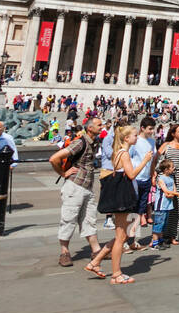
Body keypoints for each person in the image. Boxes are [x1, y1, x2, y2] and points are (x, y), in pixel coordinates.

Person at [88, 125, 152, 284]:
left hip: (119, 197)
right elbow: (131, 175)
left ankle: (96, 262)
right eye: (135, 136)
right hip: (123, 198)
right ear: (126, 138)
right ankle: (116, 274)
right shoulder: (123, 154)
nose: (137, 138)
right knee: (121, 237)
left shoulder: (117, 152)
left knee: (122, 235)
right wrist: (145, 161)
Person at [49, 117, 108, 270]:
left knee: (89, 219)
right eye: (99, 125)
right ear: (90, 128)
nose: (102, 127)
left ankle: (96, 250)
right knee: (69, 219)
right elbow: (54, 158)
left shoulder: (94, 142)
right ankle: (64, 252)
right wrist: (63, 173)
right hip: (74, 186)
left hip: (87, 187)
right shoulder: (80, 142)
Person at [159, 124, 179, 243]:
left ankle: (173, 235)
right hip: (167, 178)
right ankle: (161, 234)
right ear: (173, 133)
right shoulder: (166, 145)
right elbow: (156, 159)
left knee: (176, 207)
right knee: (164, 206)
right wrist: (154, 175)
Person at [149, 156, 179, 249]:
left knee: (164, 224)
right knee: (158, 224)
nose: (174, 168)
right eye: (172, 167)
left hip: (168, 205)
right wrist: (175, 193)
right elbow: (165, 190)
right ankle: (155, 243)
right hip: (161, 206)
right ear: (166, 169)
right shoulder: (161, 178)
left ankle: (160, 241)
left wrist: (174, 193)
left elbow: (173, 188)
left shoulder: (171, 177)